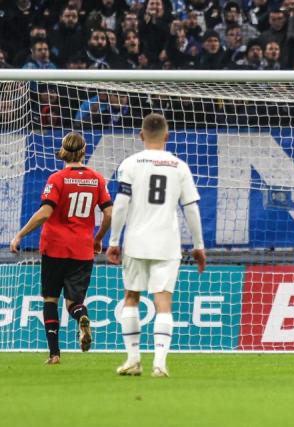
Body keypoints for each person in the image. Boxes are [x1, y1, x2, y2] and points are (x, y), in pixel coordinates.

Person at [107, 113, 206, 377]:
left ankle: (133, 359)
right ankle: (160, 364)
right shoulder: (179, 166)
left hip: (136, 242)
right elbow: (191, 208)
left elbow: (120, 204)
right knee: (164, 303)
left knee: (131, 297)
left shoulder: (129, 164)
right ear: (167, 135)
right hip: (166, 243)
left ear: (141, 135)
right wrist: (198, 245)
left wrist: (114, 240)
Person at [10, 132, 113, 364]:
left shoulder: (57, 179)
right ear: (84, 151)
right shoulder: (97, 179)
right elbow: (109, 213)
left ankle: (54, 354)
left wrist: (20, 234)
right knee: (73, 303)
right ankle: (82, 317)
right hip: (82, 249)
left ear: (63, 151)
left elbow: (45, 213)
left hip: (55, 248)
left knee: (50, 300)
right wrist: (99, 238)